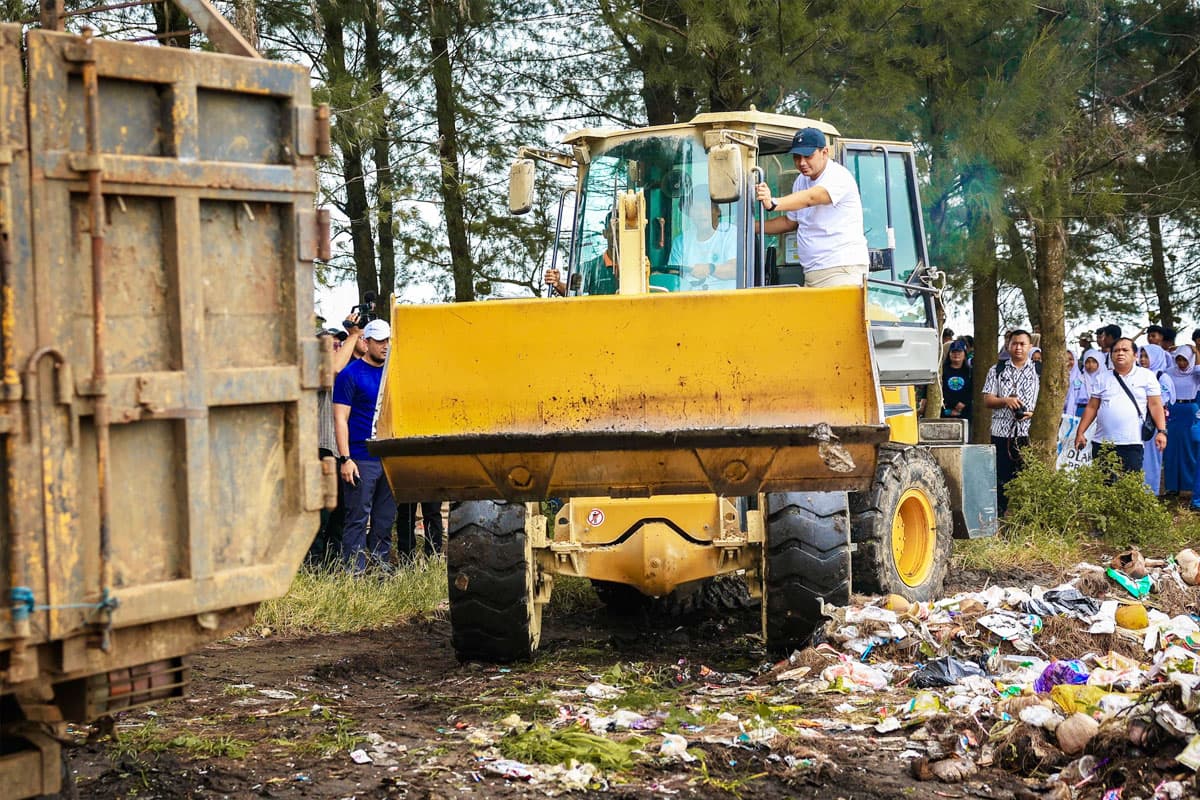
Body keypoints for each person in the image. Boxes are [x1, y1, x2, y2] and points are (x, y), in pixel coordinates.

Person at [753, 127, 869, 288]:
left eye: (808, 156)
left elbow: (811, 198)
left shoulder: (838, 176)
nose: (802, 162)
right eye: (797, 157)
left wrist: (773, 203)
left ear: (825, 152)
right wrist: (751, 228)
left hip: (840, 271)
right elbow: (790, 222)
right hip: (812, 271)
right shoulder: (801, 181)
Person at [333, 319, 397, 571]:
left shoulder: (393, 372)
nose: (384, 346)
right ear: (366, 341)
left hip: (388, 457)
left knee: (384, 519)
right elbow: (340, 418)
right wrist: (345, 458)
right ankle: (354, 574)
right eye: (379, 340)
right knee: (357, 518)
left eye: (387, 340)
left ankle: (381, 571)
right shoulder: (350, 374)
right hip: (361, 456)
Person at [1074, 337, 1166, 477]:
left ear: (1135, 355)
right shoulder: (1102, 378)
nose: (1120, 353)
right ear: (1111, 355)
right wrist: (1081, 432)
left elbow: (1155, 405)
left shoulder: (1146, 376)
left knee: (1128, 486)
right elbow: (1092, 407)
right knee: (1103, 486)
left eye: (1125, 350)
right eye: (1116, 350)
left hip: (1132, 443)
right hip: (1103, 443)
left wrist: (1161, 431)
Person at [982, 330, 1039, 516]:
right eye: (1015, 343)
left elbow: (1048, 404)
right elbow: (988, 400)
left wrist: (1032, 414)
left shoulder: (1039, 370)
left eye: (1023, 344)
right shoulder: (996, 369)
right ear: (1008, 345)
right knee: (1000, 478)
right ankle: (998, 516)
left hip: (1028, 433)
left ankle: (1025, 517)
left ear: (1030, 346)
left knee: (1027, 476)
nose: (1018, 347)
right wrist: (1005, 401)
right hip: (1001, 433)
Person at [668, 186, 737, 290]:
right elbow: (673, 276)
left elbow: (736, 269)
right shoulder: (681, 241)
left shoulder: (730, 232)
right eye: (696, 208)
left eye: (707, 207)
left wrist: (710, 269)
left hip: (725, 301)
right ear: (690, 213)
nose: (702, 213)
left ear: (718, 210)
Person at [1140, 344, 1175, 494]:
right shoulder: (1138, 374)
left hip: (1153, 422)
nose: (1142, 359)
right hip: (1137, 420)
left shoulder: (1162, 376)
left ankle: (1150, 492)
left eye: (1146, 356)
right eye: (1141, 356)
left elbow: (1163, 399)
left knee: (1152, 458)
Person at [1164, 344, 1198, 495]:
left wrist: (1196, 351)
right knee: (1171, 448)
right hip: (1173, 409)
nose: (1181, 363)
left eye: (1185, 360)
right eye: (1178, 360)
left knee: (1188, 448)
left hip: (1190, 410)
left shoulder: (1195, 373)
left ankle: (1189, 486)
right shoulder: (1170, 372)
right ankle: (1172, 486)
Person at [941, 340, 972, 422]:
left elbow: (972, 391)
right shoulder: (942, 371)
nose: (956, 354)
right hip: (946, 411)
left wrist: (963, 404)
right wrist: (954, 404)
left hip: (965, 413)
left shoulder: (970, 372)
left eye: (959, 351)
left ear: (964, 354)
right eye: (953, 351)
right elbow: (941, 390)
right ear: (949, 354)